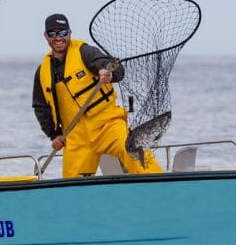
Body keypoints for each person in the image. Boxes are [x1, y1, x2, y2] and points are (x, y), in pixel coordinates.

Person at [32, 13, 162, 178]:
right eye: (53, 33)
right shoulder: (42, 71)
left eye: (62, 33)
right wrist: (53, 134)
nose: (58, 38)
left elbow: (115, 68)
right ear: (46, 37)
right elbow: (40, 107)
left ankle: (160, 183)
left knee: (133, 151)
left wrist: (107, 72)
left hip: (108, 125)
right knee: (72, 186)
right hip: (76, 137)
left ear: (69, 33)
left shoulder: (85, 51)